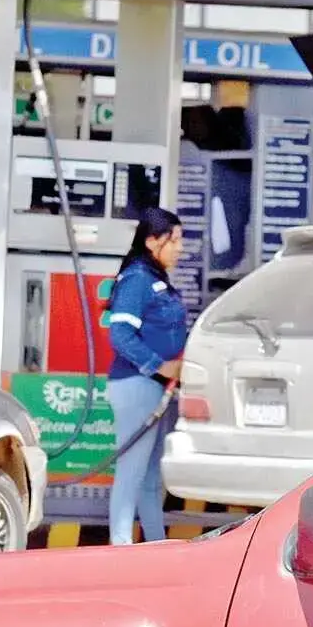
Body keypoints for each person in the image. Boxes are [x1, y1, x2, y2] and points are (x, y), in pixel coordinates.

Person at [105, 207, 188, 546]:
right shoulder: (137, 279)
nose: (180, 248)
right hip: (137, 387)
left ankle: (156, 546)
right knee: (131, 475)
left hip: (157, 390)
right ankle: (120, 550)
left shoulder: (157, 279)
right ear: (153, 241)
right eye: (175, 240)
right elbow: (120, 335)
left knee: (151, 479)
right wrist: (160, 366)